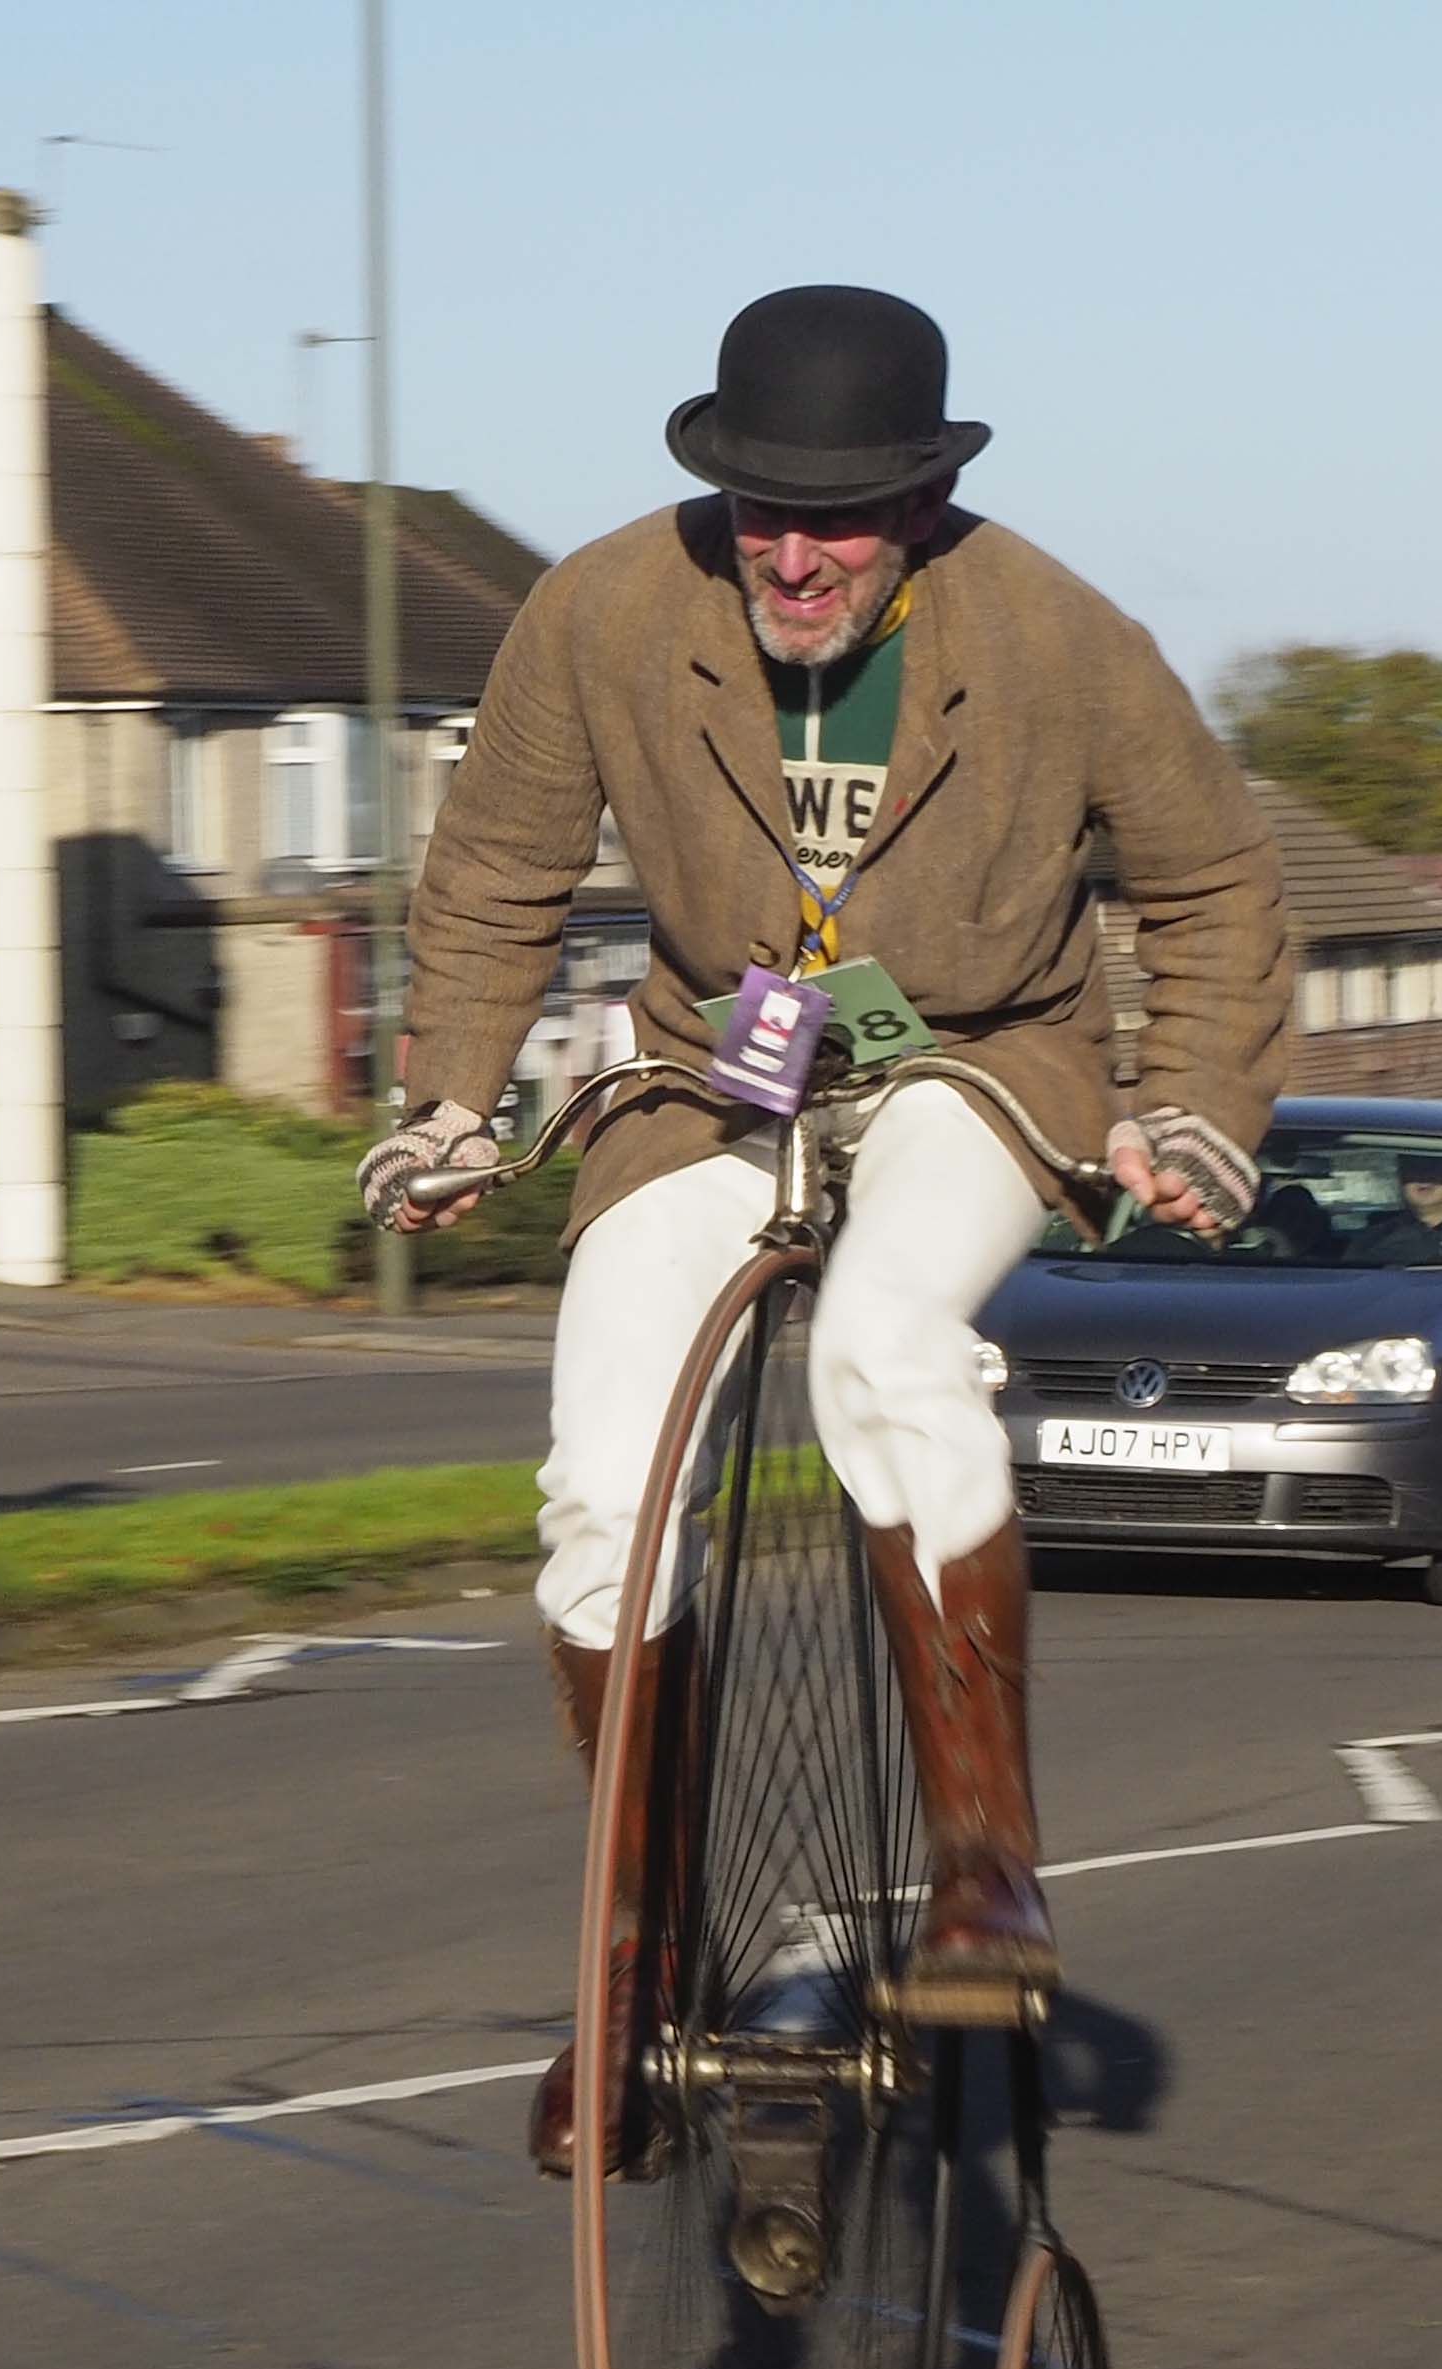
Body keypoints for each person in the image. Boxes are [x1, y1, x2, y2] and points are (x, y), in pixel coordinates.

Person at [358, 284, 1291, 2172]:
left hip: (975, 1052)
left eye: (841, 521)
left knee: (884, 1346)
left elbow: (1211, 877)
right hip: (714, 1064)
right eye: (764, 512)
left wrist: (1192, 1096)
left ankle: (986, 1868)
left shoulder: (1054, 633)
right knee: (600, 1482)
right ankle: (637, 1959)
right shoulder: (601, 611)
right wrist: (448, 1104)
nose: (794, 557)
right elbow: (493, 871)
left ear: (921, 503)